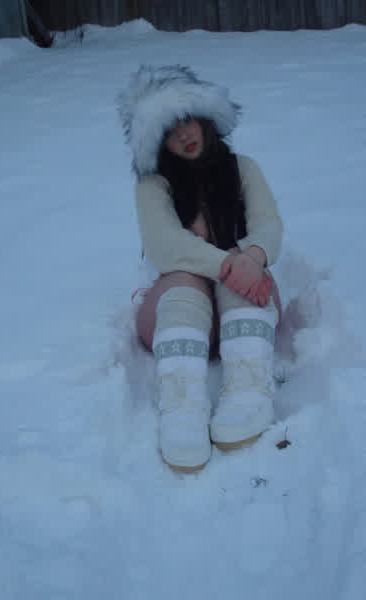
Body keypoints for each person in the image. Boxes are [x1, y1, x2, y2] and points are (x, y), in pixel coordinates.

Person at [118, 65, 283, 473]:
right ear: (157, 142)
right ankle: (181, 405)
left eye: (187, 120)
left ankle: (249, 388)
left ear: (205, 117)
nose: (183, 135)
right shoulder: (153, 185)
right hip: (180, 316)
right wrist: (229, 264)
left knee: (240, 267)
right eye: (169, 131)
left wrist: (252, 257)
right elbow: (164, 244)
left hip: (245, 308)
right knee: (185, 274)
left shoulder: (243, 168)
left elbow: (268, 224)